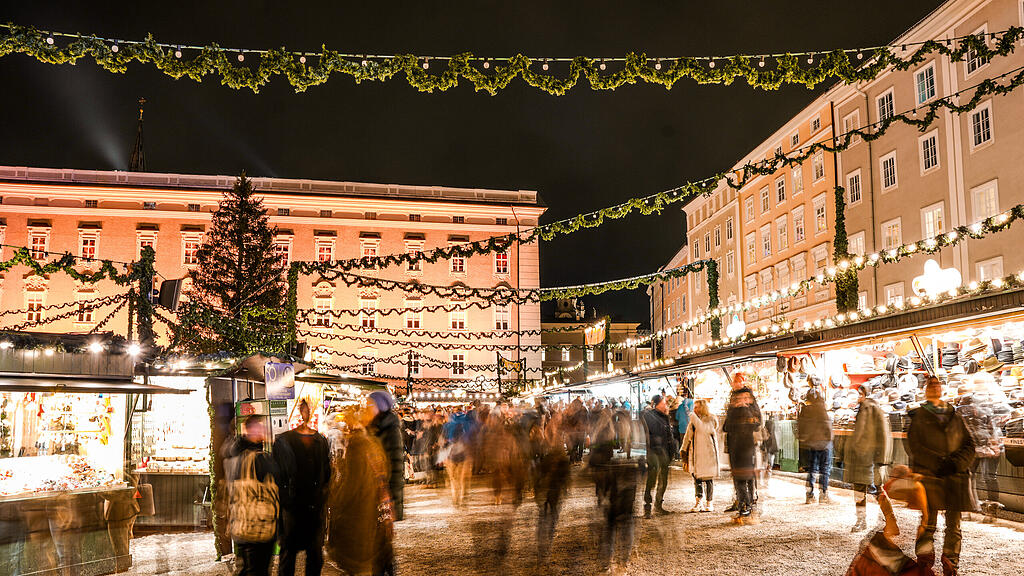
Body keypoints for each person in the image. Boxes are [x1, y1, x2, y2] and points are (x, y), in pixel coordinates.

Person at [906, 376, 975, 576]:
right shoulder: (918, 416)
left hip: (955, 477)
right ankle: (924, 565)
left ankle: (951, 565)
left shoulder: (955, 416)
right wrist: (938, 464)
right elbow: (916, 447)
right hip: (930, 478)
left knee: (954, 527)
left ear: (942, 389)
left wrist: (956, 463)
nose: (935, 387)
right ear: (926, 390)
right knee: (928, 524)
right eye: (931, 384)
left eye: (937, 384)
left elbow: (969, 445)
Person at [327, 407, 395, 576]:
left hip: (361, 517)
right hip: (379, 512)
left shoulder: (357, 446)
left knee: (360, 565)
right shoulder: (373, 442)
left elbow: (352, 485)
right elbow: (387, 472)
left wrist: (334, 503)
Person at [273, 399, 331, 576]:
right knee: (288, 554)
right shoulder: (284, 441)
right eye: (303, 408)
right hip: (292, 507)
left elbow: (326, 473)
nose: (305, 411)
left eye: (308, 408)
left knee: (314, 555)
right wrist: (284, 500)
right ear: (299, 410)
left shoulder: (320, 441)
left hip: (314, 507)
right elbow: (278, 475)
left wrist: (323, 497)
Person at [225, 416, 279, 576]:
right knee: (258, 570)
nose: (264, 431)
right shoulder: (259, 459)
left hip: (240, 524)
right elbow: (279, 478)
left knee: (247, 568)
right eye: (261, 428)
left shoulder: (233, 455)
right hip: (259, 526)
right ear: (251, 430)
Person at [843, 383, 891, 532]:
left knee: (876, 489)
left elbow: (883, 434)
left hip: (869, 458)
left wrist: (882, 458)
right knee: (861, 490)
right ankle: (862, 520)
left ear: (864, 394)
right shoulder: (864, 409)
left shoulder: (872, 409)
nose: (856, 397)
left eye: (859, 393)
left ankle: (889, 520)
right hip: (861, 458)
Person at [956, 393, 1002, 522]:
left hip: (984, 448)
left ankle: (989, 512)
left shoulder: (984, 413)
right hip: (978, 448)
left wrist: (993, 444)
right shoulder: (974, 413)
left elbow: (992, 431)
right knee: (976, 477)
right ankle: (975, 509)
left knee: (986, 477)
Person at [723, 386, 760, 522]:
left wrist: (745, 410)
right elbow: (726, 427)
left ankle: (747, 507)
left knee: (745, 478)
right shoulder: (733, 411)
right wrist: (734, 410)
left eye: (744, 397)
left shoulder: (752, 410)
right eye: (738, 398)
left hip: (747, 447)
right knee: (740, 478)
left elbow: (756, 424)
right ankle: (744, 506)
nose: (741, 400)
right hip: (735, 448)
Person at [367, 390, 406, 521]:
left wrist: (392, 499)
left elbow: (395, 465)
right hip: (377, 490)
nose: (368, 409)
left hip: (386, 492)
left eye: (371, 405)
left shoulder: (390, 429)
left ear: (381, 407)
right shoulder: (375, 426)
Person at [640, 394, 676, 518]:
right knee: (652, 479)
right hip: (654, 452)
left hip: (665, 452)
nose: (665, 404)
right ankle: (647, 506)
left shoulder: (665, 416)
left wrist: (672, 451)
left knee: (663, 479)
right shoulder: (649, 416)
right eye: (663, 402)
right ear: (656, 404)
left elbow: (668, 434)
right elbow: (655, 432)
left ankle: (658, 504)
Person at [680, 399, 719, 512]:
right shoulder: (694, 420)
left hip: (708, 453)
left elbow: (704, 429)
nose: (695, 409)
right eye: (694, 407)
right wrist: (683, 450)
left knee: (708, 479)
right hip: (696, 453)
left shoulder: (710, 419)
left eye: (697, 407)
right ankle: (698, 502)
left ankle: (709, 503)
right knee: (697, 478)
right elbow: (687, 436)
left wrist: (693, 418)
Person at [798, 388, 834, 504]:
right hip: (823, 443)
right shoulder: (820, 408)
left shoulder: (805, 409)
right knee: (824, 470)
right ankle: (823, 495)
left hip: (811, 443)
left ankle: (809, 495)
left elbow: (800, 426)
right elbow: (826, 424)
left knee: (812, 469)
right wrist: (830, 437)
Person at [676, 387, 694, 458]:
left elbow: (677, 417)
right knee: (690, 443)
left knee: (683, 443)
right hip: (690, 427)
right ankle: (690, 456)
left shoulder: (680, 406)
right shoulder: (693, 404)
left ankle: (683, 457)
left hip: (682, 428)